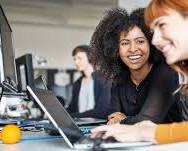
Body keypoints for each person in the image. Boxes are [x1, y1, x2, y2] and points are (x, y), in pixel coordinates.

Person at [91, 0, 188, 145]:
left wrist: (126, 122)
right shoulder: (120, 79)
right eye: (125, 43)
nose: (155, 40)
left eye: (162, 25)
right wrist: (143, 132)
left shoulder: (165, 73)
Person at [67, 45, 112, 119]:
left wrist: (74, 116)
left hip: (97, 126)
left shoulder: (104, 80)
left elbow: (102, 111)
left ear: (90, 58)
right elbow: (72, 108)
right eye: (74, 59)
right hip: (80, 125)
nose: (76, 62)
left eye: (79, 58)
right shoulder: (77, 83)